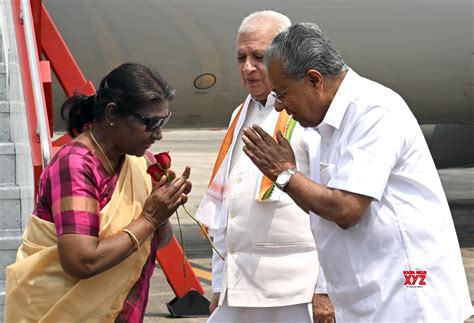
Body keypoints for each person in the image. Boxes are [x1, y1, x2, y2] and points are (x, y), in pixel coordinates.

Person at [242, 23, 472, 322]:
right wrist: (286, 178)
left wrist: (286, 174)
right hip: (366, 293)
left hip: (406, 295)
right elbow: (321, 206)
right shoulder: (321, 125)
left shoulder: (373, 110)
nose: (281, 107)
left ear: (314, 79)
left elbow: (346, 209)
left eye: (282, 94)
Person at [5, 63, 192, 322]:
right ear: (112, 113)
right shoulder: (76, 164)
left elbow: (158, 241)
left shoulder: (139, 162)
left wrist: (163, 209)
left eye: (163, 121)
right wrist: (149, 218)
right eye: (150, 122)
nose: (158, 134)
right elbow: (81, 261)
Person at [196, 11, 333, 323]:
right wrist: (219, 283)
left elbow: (331, 209)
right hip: (239, 286)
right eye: (241, 57)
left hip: (297, 290)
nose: (248, 67)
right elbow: (225, 208)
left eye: (258, 56)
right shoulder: (239, 115)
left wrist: (326, 289)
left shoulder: (310, 114)